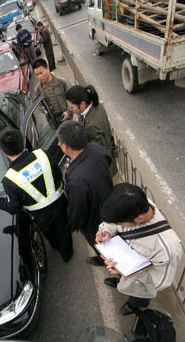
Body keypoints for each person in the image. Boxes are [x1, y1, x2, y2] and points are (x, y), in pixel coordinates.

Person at [0, 128, 73, 263]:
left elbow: (14, 208)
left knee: (51, 234)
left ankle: (59, 249)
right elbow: (57, 174)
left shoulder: (10, 179)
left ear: (4, 152)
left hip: (42, 215)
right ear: (23, 143)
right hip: (61, 202)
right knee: (64, 229)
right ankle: (67, 253)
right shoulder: (42, 155)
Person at [95, 183, 183, 315]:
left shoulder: (168, 249)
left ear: (139, 218)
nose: (117, 225)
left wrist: (126, 271)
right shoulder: (137, 204)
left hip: (140, 284)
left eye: (119, 223)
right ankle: (121, 282)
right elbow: (113, 222)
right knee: (124, 283)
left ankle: (135, 304)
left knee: (138, 296)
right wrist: (106, 230)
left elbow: (159, 283)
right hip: (124, 265)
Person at [57, 121, 113, 265]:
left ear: (65, 147)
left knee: (101, 245)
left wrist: (75, 224)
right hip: (109, 202)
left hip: (94, 220)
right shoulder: (96, 148)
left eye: (60, 142)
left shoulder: (76, 181)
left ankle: (107, 264)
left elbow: (77, 210)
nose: (59, 144)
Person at [66, 85, 118, 177]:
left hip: (104, 169)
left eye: (72, 107)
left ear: (82, 104)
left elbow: (99, 152)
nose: (71, 110)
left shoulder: (91, 126)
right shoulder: (96, 106)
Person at [33, 58, 71, 126]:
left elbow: (72, 98)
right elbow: (38, 105)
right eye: (37, 74)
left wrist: (68, 111)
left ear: (47, 69)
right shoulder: (37, 90)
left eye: (41, 73)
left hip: (66, 118)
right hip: (52, 121)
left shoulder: (62, 82)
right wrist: (43, 110)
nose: (39, 76)